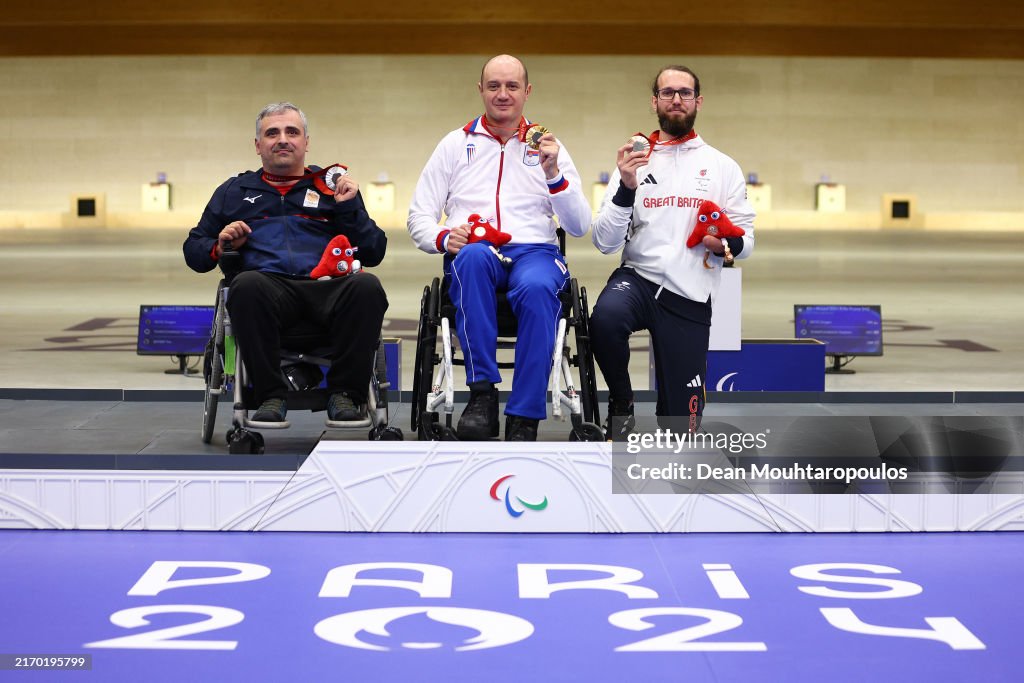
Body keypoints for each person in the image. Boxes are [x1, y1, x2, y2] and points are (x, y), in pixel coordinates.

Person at [408, 55, 592, 442]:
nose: (503, 94)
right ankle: (482, 398)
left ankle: (525, 415)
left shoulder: (549, 147)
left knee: (540, 288)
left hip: (535, 253)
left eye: (512, 86)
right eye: (494, 86)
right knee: (471, 257)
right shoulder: (455, 144)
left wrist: (554, 174)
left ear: (527, 92)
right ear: (480, 90)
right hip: (476, 250)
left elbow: (578, 225)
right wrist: (443, 237)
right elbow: (418, 217)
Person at [183, 102, 388, 427]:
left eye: (292, 132)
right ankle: (269, 395)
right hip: (267, 293)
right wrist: (219, 246)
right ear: (257, 145)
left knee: (367, 286)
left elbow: (375, 251)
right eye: (272, 133)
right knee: (246, 285)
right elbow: (193, 251)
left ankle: (346, 394)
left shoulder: (334, 188)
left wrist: (347, 210)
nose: (282, 139)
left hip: (328, 291)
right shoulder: (234, 192)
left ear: (306, 141)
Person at [590, 65, 755, 436]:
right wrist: (626, 187)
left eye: (684, 92)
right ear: (654, 102)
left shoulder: (722, 166)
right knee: (604, 320)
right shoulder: (632, 161)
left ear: (698, 101)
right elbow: (604, 241)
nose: (676, 99)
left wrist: (725, 244)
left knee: (684, 427)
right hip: (637, 279)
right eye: (667, 93)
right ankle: (622, 402)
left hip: (690, 292)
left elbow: (746, 241)